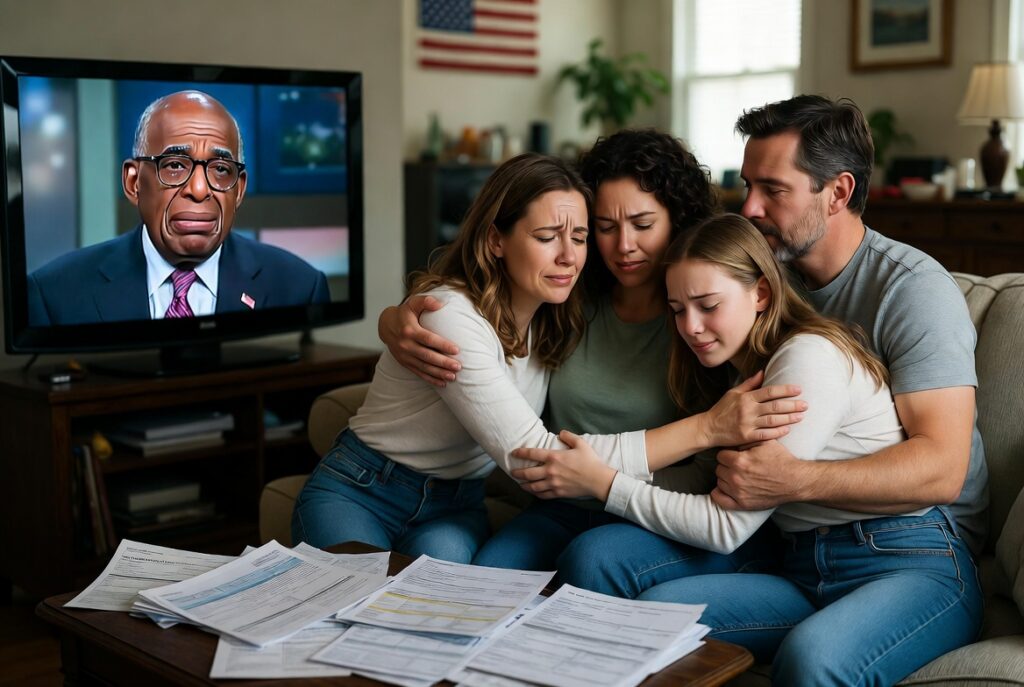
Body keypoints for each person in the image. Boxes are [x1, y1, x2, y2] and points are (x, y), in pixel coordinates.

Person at [511, 213, 983, 686]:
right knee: (652, 617)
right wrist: (589, 475)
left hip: (907, 561)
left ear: (761, 293)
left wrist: (605, 483)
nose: (691, 327)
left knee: (812, 659)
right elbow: (704, 485)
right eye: (677, 309)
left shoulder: (806, 358)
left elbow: (724, 528)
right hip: (803, 566)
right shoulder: (741, 374)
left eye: (707, 305)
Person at [292, 153, 799, 564]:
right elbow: (535, 457)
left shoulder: (560, 314)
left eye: (578, 237)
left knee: (445, 599)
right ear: (496, 239)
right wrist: (707, 428)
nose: (569, 257)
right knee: (355, 595)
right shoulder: (451, 316)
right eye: (545, 237)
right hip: (364, 487)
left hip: (455, 504)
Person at [27, 90, 329, 326]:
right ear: (133, 182)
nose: (199, 190)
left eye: (220, 169)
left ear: (239, 190)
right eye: (174, 165)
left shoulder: (301, 288)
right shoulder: (54, 296)